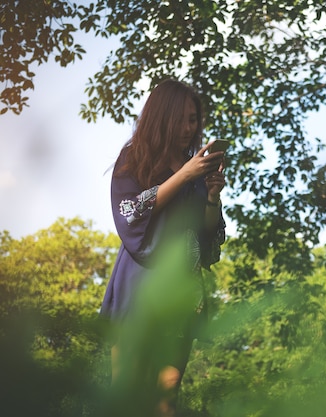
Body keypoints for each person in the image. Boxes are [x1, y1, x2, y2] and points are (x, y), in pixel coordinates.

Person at [100, 79, 227, 417]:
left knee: (167, 396)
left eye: (194, 119)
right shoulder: (135, 157)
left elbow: (207, 240)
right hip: (140, 283)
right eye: (183, 118)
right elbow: (130, 213)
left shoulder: (197, 170)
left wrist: (212, 198)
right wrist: (184, 175)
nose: (190, 127)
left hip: (181, 292)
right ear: (163, 116)